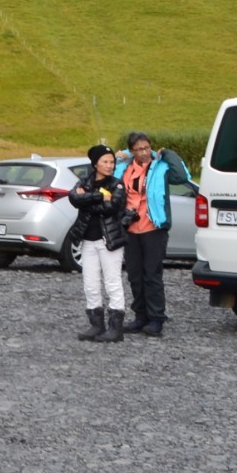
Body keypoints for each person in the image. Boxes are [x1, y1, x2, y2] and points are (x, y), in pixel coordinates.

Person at [118, 132, 188, 337]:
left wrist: (167, 153)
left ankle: (156, 318)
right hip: (131, 229)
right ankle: (140, 317)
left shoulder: (161, 167)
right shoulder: (124, 168)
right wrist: (122, 155)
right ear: (132, 151)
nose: (144, 152)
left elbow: (182, 177)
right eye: (139, 149)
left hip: (153, 228)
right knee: (135, 276)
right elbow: (105, 172)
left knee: (152, 275)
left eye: (147, 148)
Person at [67, 145, 128, 343]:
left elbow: (113, 207)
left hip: (108, 240)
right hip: (87, 239)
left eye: (112, 162)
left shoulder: (117, 184)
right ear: (95, 164)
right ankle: (96, 324)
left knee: (113, 282)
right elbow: (74, 198)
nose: (110, 165)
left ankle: (116, 328)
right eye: (105, 162)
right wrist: (100, 196)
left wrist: (88, 198)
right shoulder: (84, 181)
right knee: (90, 284)